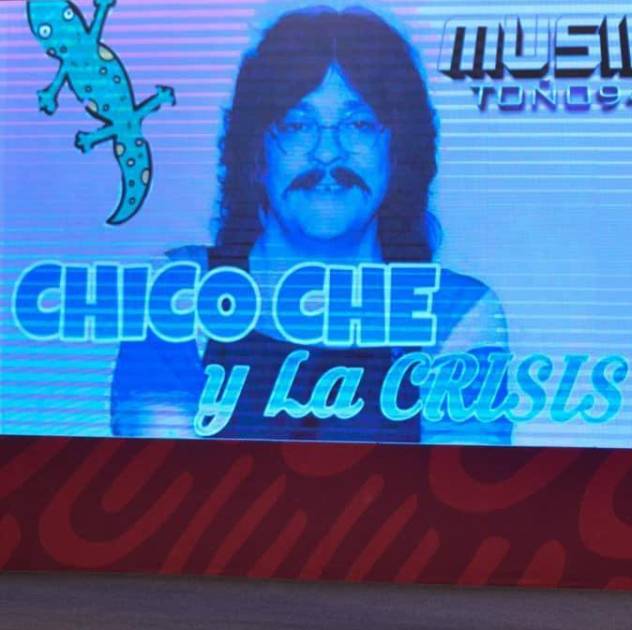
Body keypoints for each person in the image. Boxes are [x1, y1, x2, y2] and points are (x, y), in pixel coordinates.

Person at [110, 6, 511, 444]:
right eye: (297, 124)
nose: (327, 152)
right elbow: (164, 473)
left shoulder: (456, 311)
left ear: (399, 149)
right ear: (255, 149)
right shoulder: (178, 287)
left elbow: (460, 478)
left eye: (360, 124)